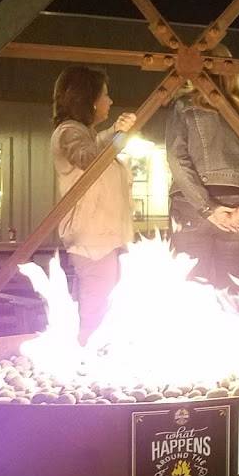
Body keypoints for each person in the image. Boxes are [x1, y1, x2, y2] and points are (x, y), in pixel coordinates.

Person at [166, 48, 239, 290]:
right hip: (238, 207)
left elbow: (177, 158)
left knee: (191, 291)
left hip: (191, 207)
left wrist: (207, 207)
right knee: (232, 292)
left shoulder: (185, 106)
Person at [51, 65, 136, 342]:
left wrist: (116, 132)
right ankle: (88, 353)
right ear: (88, 99)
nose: (110, 101)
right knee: (97, 305)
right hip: (92, 238)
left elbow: (96, 148)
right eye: (105, 95)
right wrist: (117, 132)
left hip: (102, 236)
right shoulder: (69, 132)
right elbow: (89, 159)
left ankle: (92, 350)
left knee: (102, 301)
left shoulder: (83, 133)